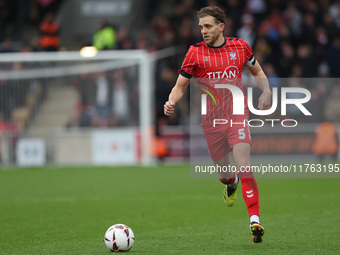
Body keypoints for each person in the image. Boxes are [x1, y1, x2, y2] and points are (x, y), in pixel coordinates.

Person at [164, 6, 271, 243]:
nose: (203, 31)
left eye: (208, 26)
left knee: (244, 165)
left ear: (221, 27)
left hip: (237, 114)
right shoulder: (194, 53)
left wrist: (267, 91)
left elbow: (258, 71)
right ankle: (231, 184)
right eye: (201, 27)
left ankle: (255, 220)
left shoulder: (240, 47)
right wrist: (170, 102)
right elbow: (180, 86)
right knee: (225, 174)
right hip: (211, 122)